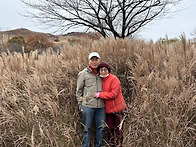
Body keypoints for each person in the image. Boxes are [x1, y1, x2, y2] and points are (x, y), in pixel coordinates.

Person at [93, 61, 127, 147]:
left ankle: (118, 145)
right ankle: (111, 145)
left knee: (118, 129)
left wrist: (99, 95)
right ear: (99, 71)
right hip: (108, 110)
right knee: (109, 129)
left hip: (118, 108)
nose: (103, 72)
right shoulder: (101, 80)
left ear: (108, 70)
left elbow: (113, 94)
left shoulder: (114, 79)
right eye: (101, 70)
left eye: (105, 70)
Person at [76, 52, 105, 147]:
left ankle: (99, 145)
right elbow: (79, 90)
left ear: (99, 61)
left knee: (100, 129)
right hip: (87, 106)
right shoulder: (83, 73)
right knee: (87, 129)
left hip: (101, 107)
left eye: (96, 60)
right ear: (89, 61)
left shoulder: (103, 72)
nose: (94, 62)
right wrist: (80, 104)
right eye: (92, 60)